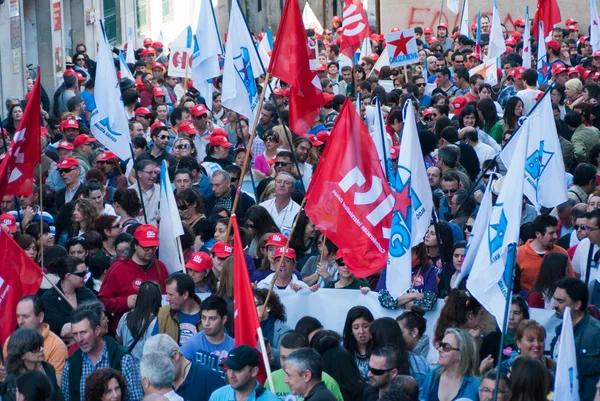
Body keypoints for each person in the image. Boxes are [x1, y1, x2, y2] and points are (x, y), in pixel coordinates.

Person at [62, 309, 143, 401]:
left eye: (83, 332)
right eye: (75, 334)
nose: (79, 339)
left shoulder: (123, 359)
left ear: (97, 330)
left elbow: (136, 398)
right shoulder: (71, 364)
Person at [99, 224, 168, 332]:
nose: (150, 251)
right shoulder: (117, 268)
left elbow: (166, 297)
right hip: (127, 333)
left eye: (154, 247)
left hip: (156, 330)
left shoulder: (161, 267)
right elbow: (102, 302)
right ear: (135, 245)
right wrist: (125, 302)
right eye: (146, 247)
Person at [551, 277, 600, 400]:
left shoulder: (596, 333)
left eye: (560, 301)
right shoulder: (560, 330)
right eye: (554, 299)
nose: (554, 305)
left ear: (577, 304)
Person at [2, 295, 68, 385]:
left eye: (25, 316)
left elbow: (55, 388)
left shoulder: (57, 346)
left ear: (40, 316)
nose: (20, 321)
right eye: (18, 316)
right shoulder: (10, 341)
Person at [264, 332, 343, 401]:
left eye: (289, 375)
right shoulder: (320, 395)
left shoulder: (321, 397)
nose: (286, 380)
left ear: (307, 375)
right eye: (283, 357)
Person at [42, 256, 96, 343]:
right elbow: (61, 331)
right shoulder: (49, 298)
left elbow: (99, 318)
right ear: (69, 276)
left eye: (86, 272)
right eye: (81, 274)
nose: (85, 277)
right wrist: (88, 326)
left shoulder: (86, 293)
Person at [1, 328, 61, 401]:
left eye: (41, 345)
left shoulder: (48, 368)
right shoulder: (11, 380)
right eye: (35, 349)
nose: (41, 349)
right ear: (21, 355)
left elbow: (58, 396)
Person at [420, 328, 480, 401]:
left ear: (461, 354)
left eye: (446, 347)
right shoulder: (432, 375)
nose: (439, 349)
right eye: (441, 344)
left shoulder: (476, 385)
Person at [516, 214, 572, 292]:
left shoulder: (561, 253)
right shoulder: (518, 254)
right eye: (551, 233)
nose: (555, 236)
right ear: (538, 234)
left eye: (556, 232)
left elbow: (571, 281)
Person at [181, 295, 235, 370]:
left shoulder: (234, 347)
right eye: (203, 318)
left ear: (224, 319)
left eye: (212, 318)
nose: (206, 323)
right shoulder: (191, 345)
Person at [209, 345, 279, 401]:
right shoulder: (217, 397)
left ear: (254, 371)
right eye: (229, 368)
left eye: (237, 369)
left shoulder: (271, 399)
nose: (231, 375)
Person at [116, 282, 162, 362]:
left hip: (127, 366)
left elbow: (119, 340)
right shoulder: (158, 322)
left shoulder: (125, 317)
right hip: (146, 369)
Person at [155, 273, 202, 345]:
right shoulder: (163, 314)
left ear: (185, 295)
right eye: (167, 294)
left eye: (171, 295)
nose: (167, 298)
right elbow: (153, 345)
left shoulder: (210, 315)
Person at [253, 289, 293, 368]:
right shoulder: (246, 329)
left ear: (268, 308)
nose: (250, 308)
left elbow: (288, 361)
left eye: (255, 304)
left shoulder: (284, 331)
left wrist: (266, 349)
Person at [342, 306, 373, 379]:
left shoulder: (379, 348)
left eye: (365, 326)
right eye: (356, 327)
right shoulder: (344, 349)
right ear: (351, 330)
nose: (361, 332)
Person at [572, 209, 600, 284]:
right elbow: (576, 274)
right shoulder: (584, 244)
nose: (587, 233)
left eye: (591, 229)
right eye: (586, 228)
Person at [129, 159, 160, 226]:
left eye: (155, 172)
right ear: (139, 174)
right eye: (150, 172)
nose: (154, 175)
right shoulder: (129, 192)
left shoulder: (161, 191)